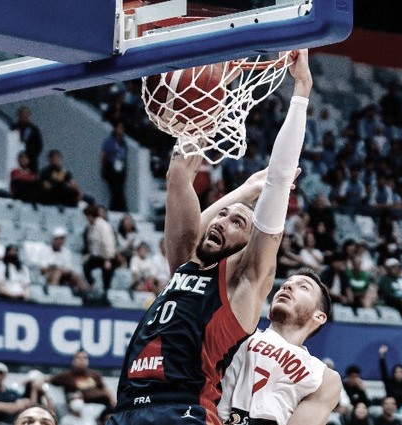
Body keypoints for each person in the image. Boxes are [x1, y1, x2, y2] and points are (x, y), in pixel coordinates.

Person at [109, 49, 313, 425]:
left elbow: (281, 180)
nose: (221, 220)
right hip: (125, 413)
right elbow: (178, 175)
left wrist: (300, 90)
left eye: (238, 223)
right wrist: (216, 83)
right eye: (220, 214)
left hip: (183, 412)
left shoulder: (243, 284)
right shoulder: (183, 268)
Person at [217, 269, 342, 425]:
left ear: (319, 316)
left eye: (303, 287)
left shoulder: (324, 377)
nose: (287, 287)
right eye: (284, 285)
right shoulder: (240, 333)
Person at [47, 350, 115, 407]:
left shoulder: (95, 375)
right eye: (78, 358)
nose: (82, 360)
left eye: (85, 358)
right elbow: (48, 379)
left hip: (101, 406)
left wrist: (113, 401)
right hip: (81, 407)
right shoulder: (66, 376)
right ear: (73, 361)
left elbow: (106, 390)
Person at [81, 204, 121, 295]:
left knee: (106, 271)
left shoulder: (104, 226)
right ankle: (92, 285)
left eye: (86, 217)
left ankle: (106, 293)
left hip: (108, 256)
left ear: (90, 216)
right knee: (86, 265)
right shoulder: (91, 226)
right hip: (97, 256)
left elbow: (108, 244)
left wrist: (108, 259)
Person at [38, 227, 86, 291]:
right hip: (49, 274)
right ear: (54, 239)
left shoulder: (67, 252)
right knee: (57, 272)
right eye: (58, 239)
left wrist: (60, 269)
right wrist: (55, 268)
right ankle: (53, 292)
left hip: (64, 275)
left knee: (77, 276)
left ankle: (83, 293)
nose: (60, 241)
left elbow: (68, 269)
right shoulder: (46, 250)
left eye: (62, 239)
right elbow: (43, 268)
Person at [100, 121, 128, 212]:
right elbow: (104, 155)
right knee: (115, 189)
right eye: (119, 128)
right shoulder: (110, 141)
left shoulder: (123, 142)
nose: (121, 130)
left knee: (120, 188)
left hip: (121, 167)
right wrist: (103, 169)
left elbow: (124, 156)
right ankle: (119, 208)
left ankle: (116, 208)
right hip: (111, 167)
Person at [11, 106, 43, 173]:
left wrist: (29, 157)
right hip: (15, 160)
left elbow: (39, 146)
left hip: (31, 162)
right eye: (22, 114)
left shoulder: (34, 129)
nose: (24, 116)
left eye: (26, 114)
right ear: (19, 116)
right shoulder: (13, 128)